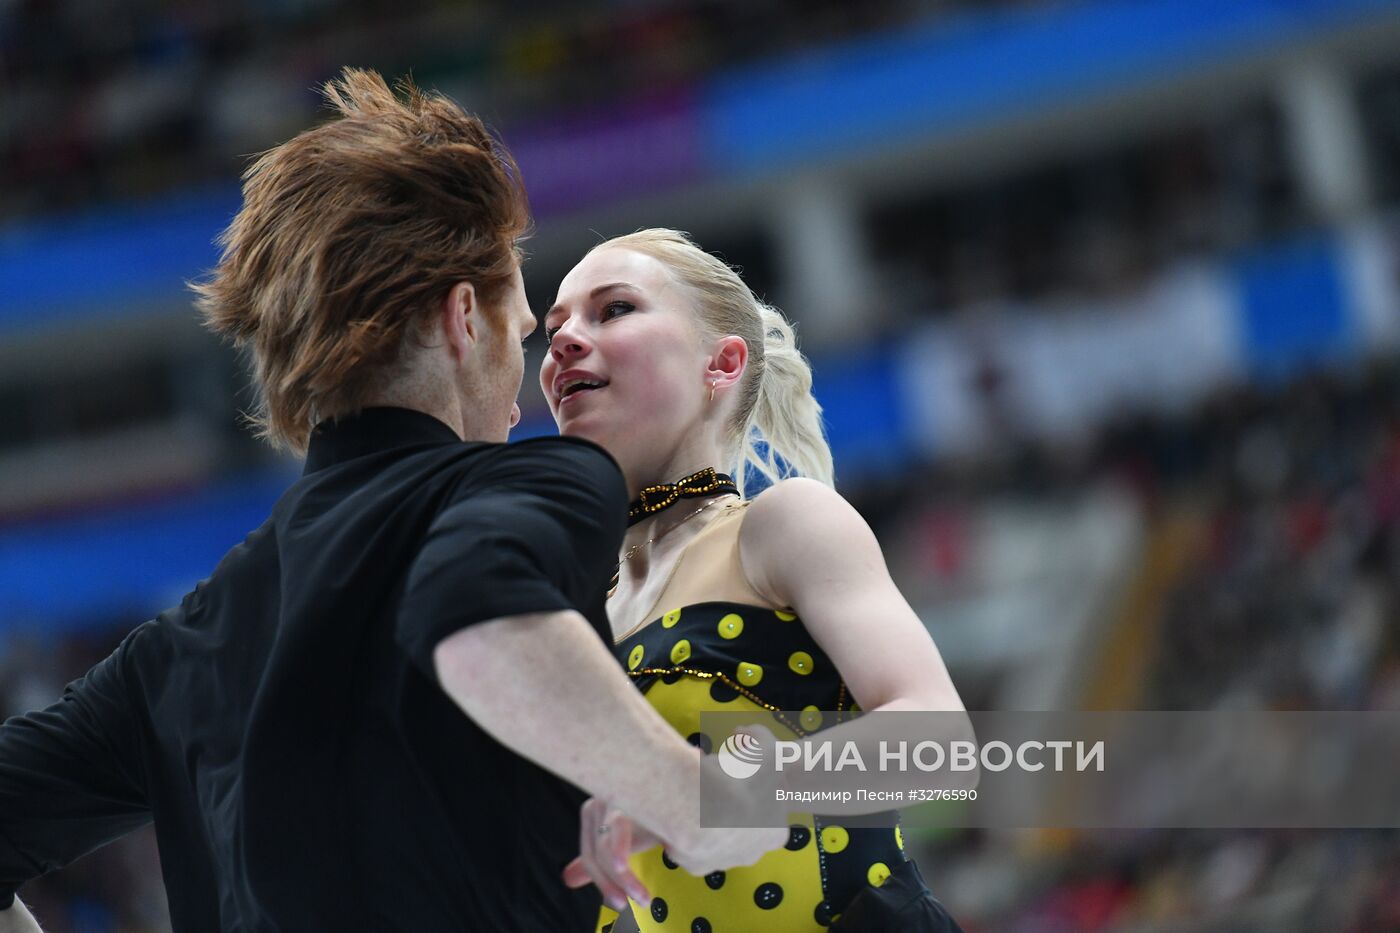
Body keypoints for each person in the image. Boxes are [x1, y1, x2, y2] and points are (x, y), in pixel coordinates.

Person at [0, 73, 783, 932]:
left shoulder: (185, 640)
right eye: (530, 332)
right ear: (461, 320)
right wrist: (697, 798)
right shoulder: (540, 484)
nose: (539, 377)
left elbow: (945, 759)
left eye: (616, 310)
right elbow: (479, 620)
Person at [539, 229, 968, 932]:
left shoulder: (781, 526)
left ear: (722, 362)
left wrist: (706, 793)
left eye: (613, 309)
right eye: (555, 328)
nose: (564, 342)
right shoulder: (577, 609)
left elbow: (940, 744)